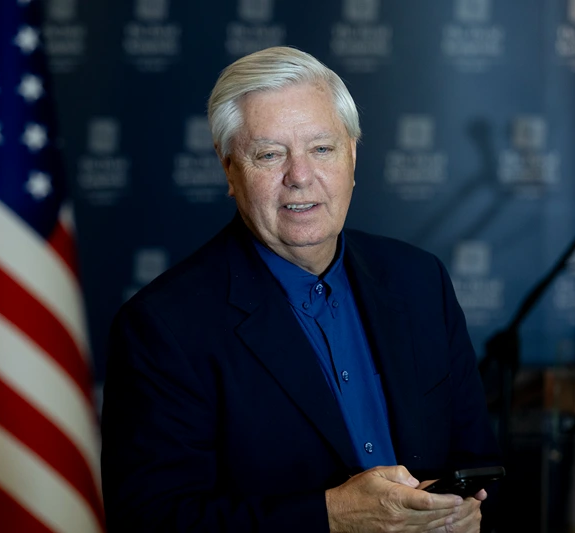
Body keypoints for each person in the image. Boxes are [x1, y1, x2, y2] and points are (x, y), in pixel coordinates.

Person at [101, 46, 500, 532]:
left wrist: (468, 514)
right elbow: (151, 521)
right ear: (229, 168)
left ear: (352, 155)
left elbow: (480, 464)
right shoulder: (163, 328)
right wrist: (331, 517)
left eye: (322, 148)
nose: (300, 176)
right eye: (269, 155)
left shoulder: (420, 281)